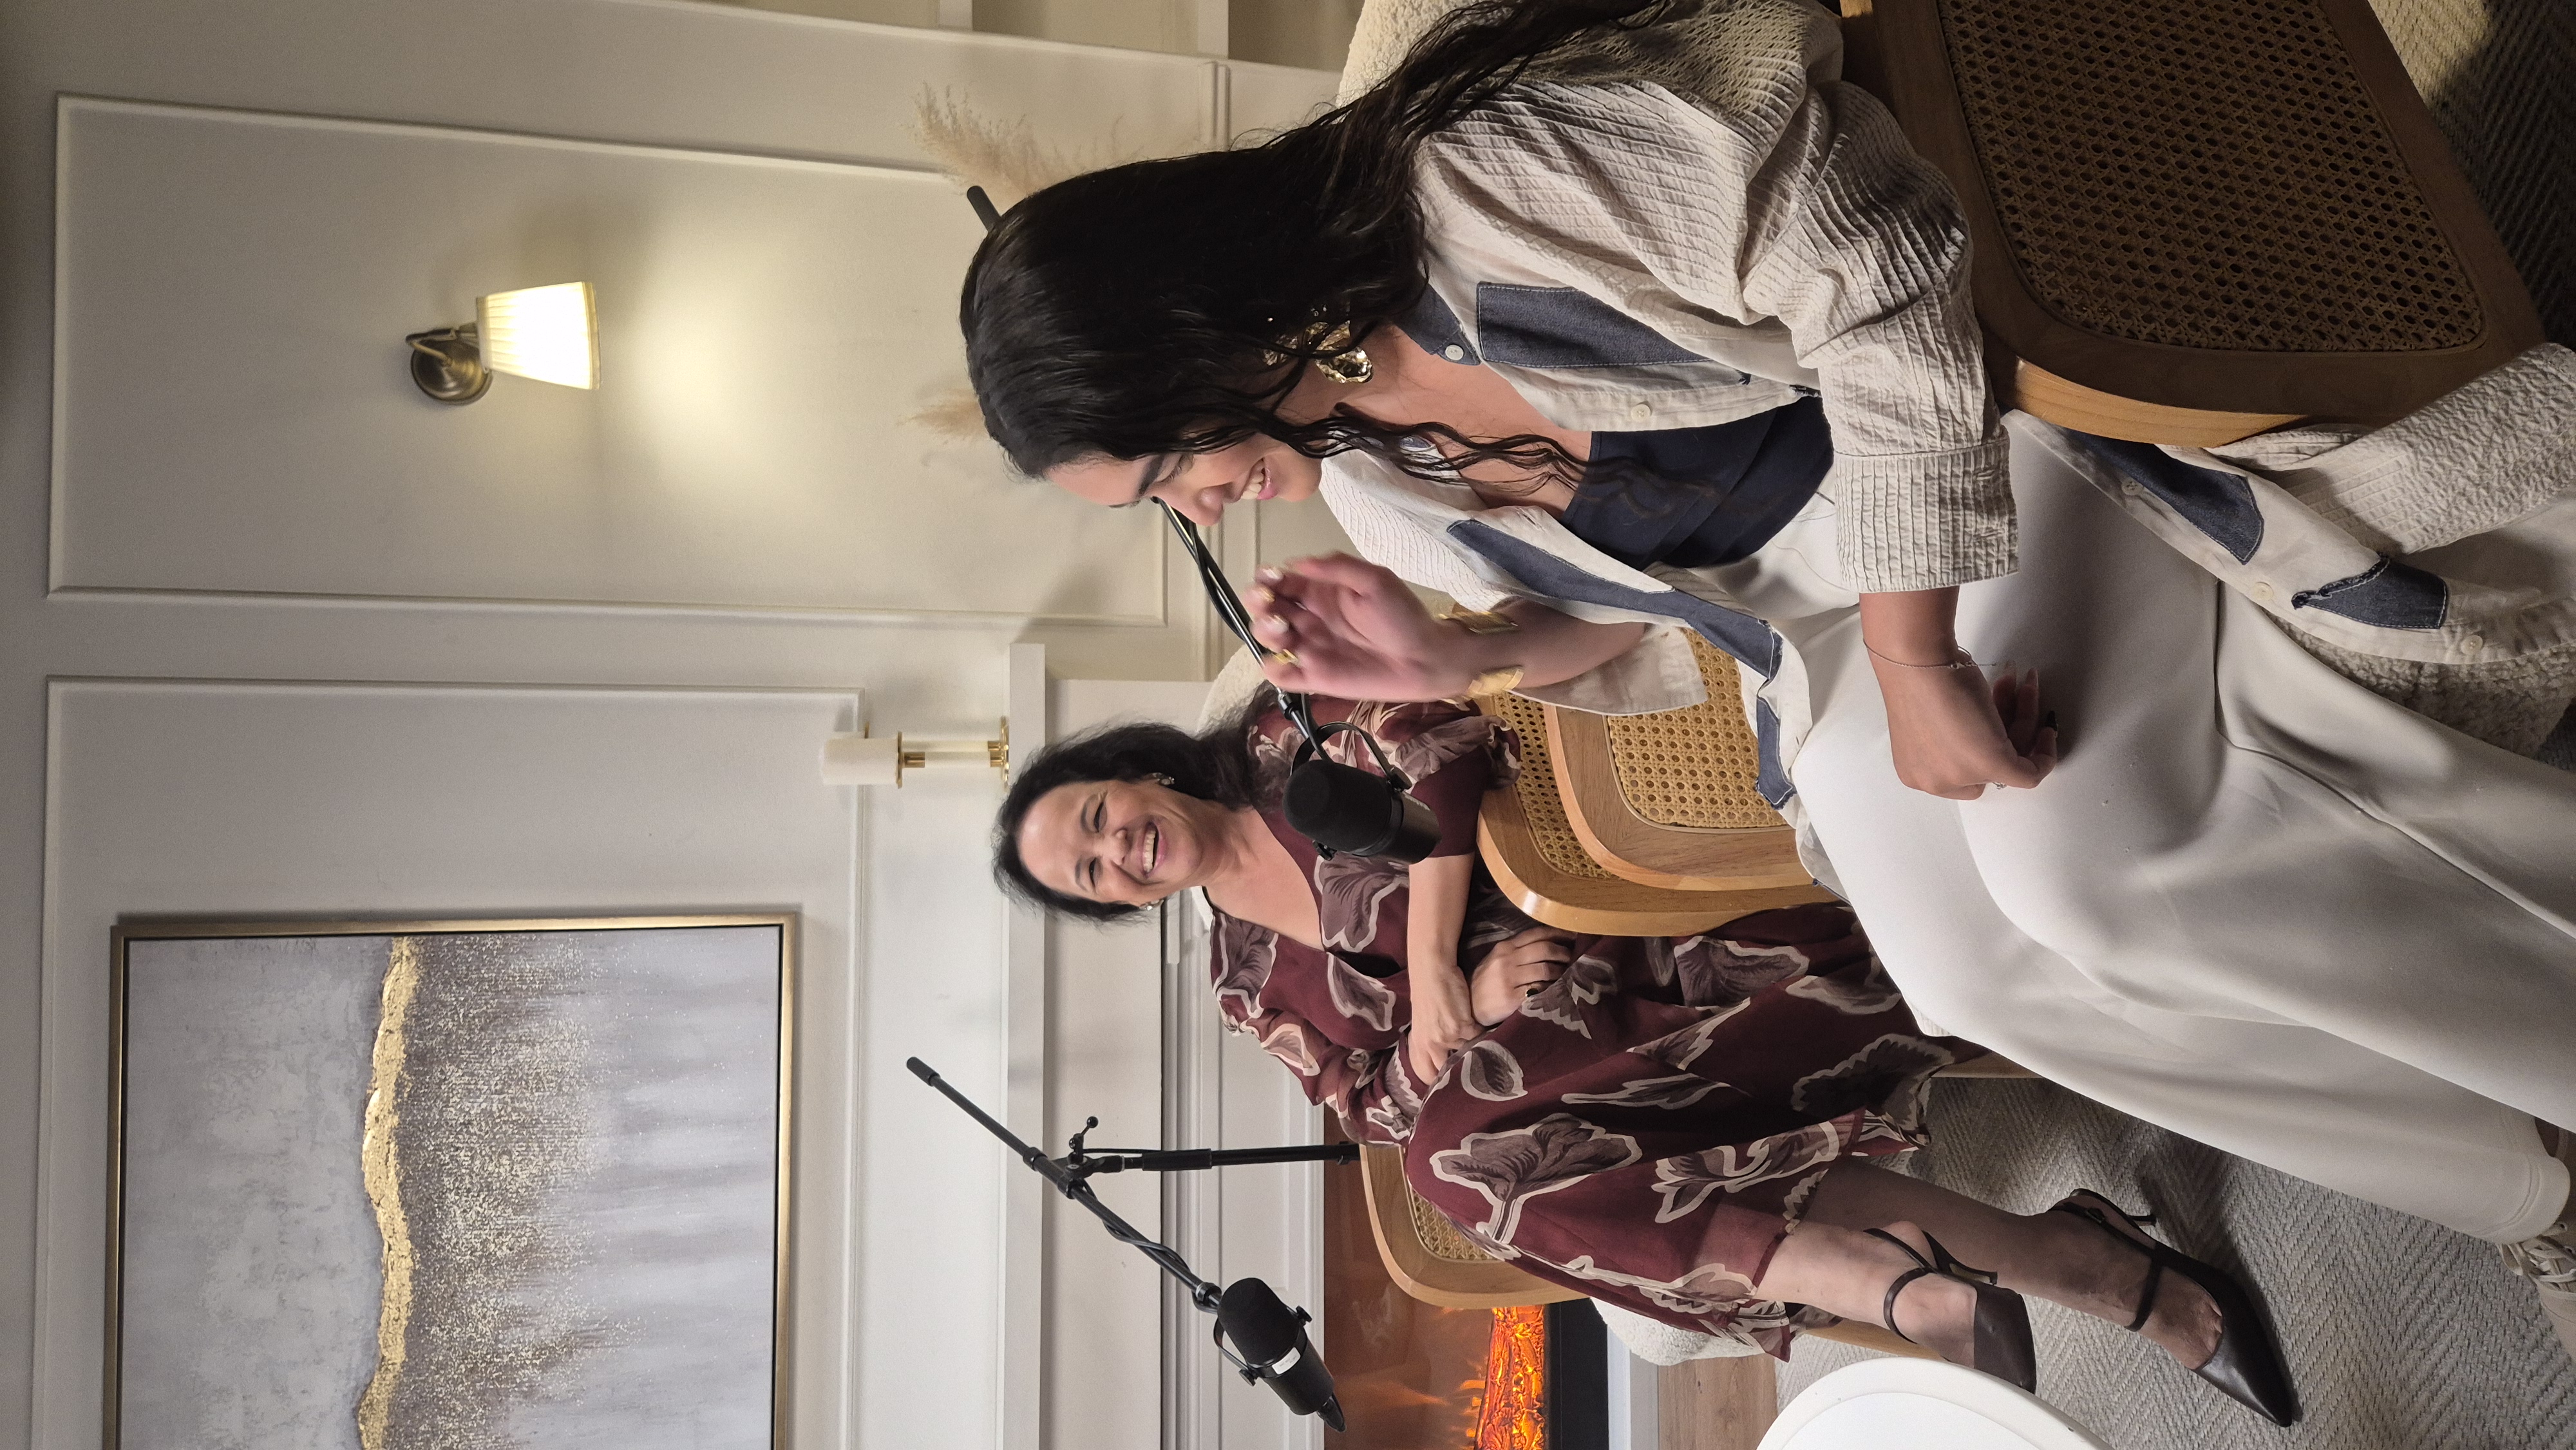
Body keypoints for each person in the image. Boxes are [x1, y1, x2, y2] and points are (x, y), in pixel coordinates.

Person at [956, 0, 2576, 1348]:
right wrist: (1460, 650)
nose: (1195, 507)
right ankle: (2511, 1181)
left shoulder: (1479, 176)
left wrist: (1914, 651)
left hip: (1988, 450)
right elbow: (1637, 624)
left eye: (1163, 469)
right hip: (1827, 635)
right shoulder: (1379, 484)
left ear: (1192, 340)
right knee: (1964, 978)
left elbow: (1887, 268)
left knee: (2087, 877)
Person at [996, 693, 2295, 1420]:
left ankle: (2007, 1270)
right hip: (1544, 1090)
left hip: (1638, 952)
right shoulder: (1239, 979)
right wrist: (1465, 1016)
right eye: (1093, 874)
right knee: (1477, 1154)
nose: (1118, 852)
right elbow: (1367, 1104)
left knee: (1469, 1167)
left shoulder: (1280, 741)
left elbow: (1442, 744)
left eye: (1099, 818)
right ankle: (2051, 1267)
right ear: (1114, 904)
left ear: (1132, 773)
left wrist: (1443, 967)